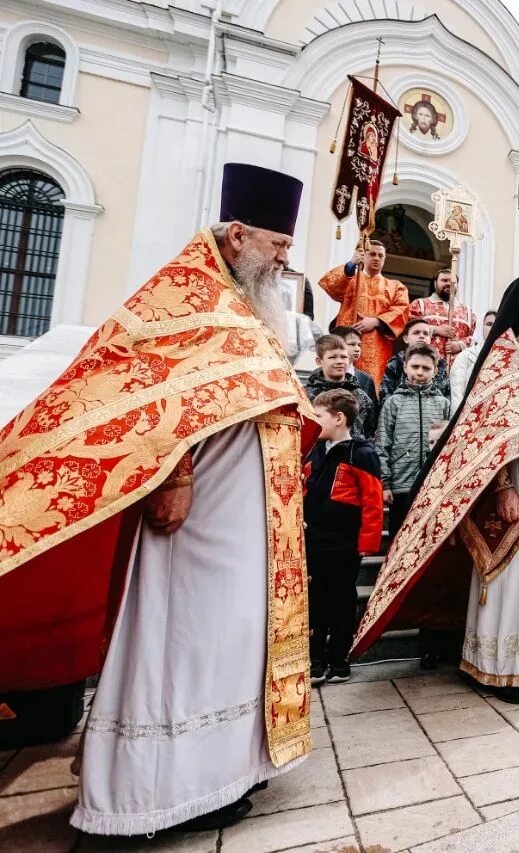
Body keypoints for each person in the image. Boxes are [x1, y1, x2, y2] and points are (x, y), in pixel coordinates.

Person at [0, 163, 313, 833]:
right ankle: (157, 791)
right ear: (235, 235)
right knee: (185, 648)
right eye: (277, 246)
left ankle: (224, 774)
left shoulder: (252, 308)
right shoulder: (182, 298)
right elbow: (144, 391)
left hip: (250, 523)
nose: (287, 261)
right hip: (194, 525)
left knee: (232, 649)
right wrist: (170, 473)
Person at [350, 272, 519, 705]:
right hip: (518, 484)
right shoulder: (502, 358)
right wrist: (501, 489)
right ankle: (500, 669)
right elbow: (483, 436)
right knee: (515, 578)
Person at [304, 390, 383, 685]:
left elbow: (373, 502)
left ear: (338, 418)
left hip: (343, 544)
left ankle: (339, 659)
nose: (313, 421)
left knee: (340, 600)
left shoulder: (361, 453)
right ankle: (316, 660)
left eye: (318, 416)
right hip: (315, 541)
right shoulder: (314, 449)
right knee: (317, 600)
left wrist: (367, 543)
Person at [376, 343, 451, 537]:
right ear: (405, 367)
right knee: (398, 538)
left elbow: (448, 447)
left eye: (426, 368)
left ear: (435, 371)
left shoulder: (443, 404)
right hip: (401, 484)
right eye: (415, 366)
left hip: (431, 485)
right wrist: (385, 484)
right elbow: (383, 443)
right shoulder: (394, 403)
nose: (420, 372)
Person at [318, 239, 409, 386]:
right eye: (372, 254)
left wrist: (376, 321)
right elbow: (332, 286)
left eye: (381, 255)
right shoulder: (352, 279)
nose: (376, 258)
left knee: (371, 385)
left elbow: (402, 309)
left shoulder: (396, 287)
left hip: (377, 346)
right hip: (347, 340)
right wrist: (350, 265)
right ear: (364, 256)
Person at [408, 267, 476, 395]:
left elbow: (475, 337)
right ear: (435, 283)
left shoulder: (468, 312)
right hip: (426, 368)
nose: (448, 284)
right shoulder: (420, 304)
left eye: (452, 281)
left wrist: (460, 345)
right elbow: (410, 327)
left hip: (457, 371)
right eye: (444, 280)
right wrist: (435, 330)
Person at [306, 334, 378, 440]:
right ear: (319, 361)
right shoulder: (308, 396)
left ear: (349, 360)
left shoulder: (361, 396)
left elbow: (370, 431)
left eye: (343, 357)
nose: (339, 361)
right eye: (332, 357)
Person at [450, 310, 497, 415]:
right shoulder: (466, 356)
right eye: (489, 324)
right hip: (469, 417)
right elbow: (457, 393)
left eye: (497, 324)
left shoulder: (506, 357)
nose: (494, 328)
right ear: (480, 327)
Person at [379, 318, 433, 398]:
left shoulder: (439, 363)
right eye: (416, 333)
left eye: (426, 334)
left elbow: (445, 396)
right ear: (406, 339)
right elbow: (385, 396)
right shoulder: (395, 363)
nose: (422, 336)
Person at [333, 325, 379, 402]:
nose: (357, 349)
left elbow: (372, 410)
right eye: (352, 344)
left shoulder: (365, 379)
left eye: (359, 345)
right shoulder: (320, 374)